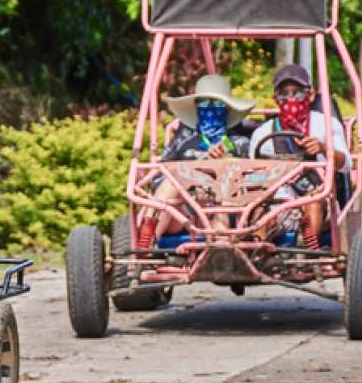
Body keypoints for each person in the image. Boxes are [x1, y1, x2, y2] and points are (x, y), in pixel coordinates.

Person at [133, 74, 257, 251]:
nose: (211, 110)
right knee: (172, 181)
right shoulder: (183, 140)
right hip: (185, 213)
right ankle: (145, 247)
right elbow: (158, 178)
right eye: (205, 104)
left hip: (228, 213)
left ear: (228, 109)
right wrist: (193, 173)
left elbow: (254, 183)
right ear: (197, 108)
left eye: (218, 104)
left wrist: (222, 166)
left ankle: (220, 250)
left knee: (226, 186)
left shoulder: (240, 142)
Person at [248, 63, 349, 249]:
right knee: (259, 208)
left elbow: (346, 165)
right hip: (277, 203)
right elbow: (251, 178)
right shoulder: (263, 134)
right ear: (275, 99)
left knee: (314, 199)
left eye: (298, 93)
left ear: (310, 95)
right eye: (283, 94)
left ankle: (304, 250)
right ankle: (255, 250)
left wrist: (324, 149)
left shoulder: (325, 124)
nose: (291, 99)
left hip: (318, 200)